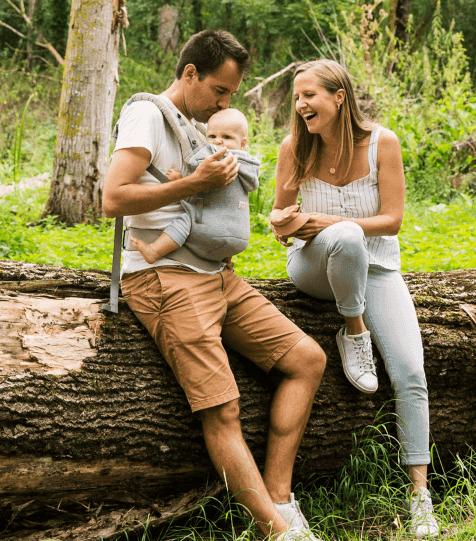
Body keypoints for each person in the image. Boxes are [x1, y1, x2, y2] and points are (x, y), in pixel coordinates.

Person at [101, 30, 329, 541]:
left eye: (230, 95)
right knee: (222, 408)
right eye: (220, 92)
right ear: (189, 75)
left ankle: (280, 498)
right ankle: (279, 534)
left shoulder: (196, 124)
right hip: (163, 277)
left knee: (307, 360)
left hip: (216, 274)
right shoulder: (147, 115)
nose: (224, 104)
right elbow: (113, 198)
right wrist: (194, 183)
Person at [271, 58, 439, 536]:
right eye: (297, 97)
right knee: (343, 237)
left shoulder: (382, 143)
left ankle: (420, 496)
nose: (301, 105)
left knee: (409, 370)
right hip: (315, 266)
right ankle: (353, 331)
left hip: (379, 267)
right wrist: (281, 223)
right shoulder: (293, 148)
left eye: (310, 95)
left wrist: (326, 220)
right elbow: (283, 221)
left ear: (338, 97)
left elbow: (392, 221)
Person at [132, 108, 258, 264]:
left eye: (226, 137)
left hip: (211, 232)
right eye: (212, 136)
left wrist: (179, 181)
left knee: (187, 219)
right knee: (232, 210)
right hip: (239, 236)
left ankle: (155, 250)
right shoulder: (249, 167)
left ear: (242, 143)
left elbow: (198, 187)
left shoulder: (217, 161)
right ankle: (225, 260)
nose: (218, 141)